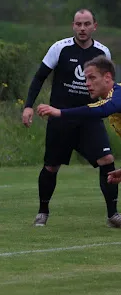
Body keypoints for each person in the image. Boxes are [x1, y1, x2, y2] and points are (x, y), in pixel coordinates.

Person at [21, 8, 120, 227]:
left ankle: (113, 215)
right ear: (73, 26)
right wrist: (28, 106)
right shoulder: (60, 48)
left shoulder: (102, 52)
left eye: (86, 24)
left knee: (107, 161)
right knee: (51, 167)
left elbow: (107, 84)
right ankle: (43, 212)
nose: (82, 28)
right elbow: (39, 78)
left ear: (95, 26)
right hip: (61, 118)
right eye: (78, 24)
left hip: (90, 118)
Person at [37, 57, 121, 196]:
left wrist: (60, 112)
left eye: (92, 78)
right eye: (86, 79)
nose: (87, 84)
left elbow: (103, 109)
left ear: (107, 77)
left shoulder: (116, 97)